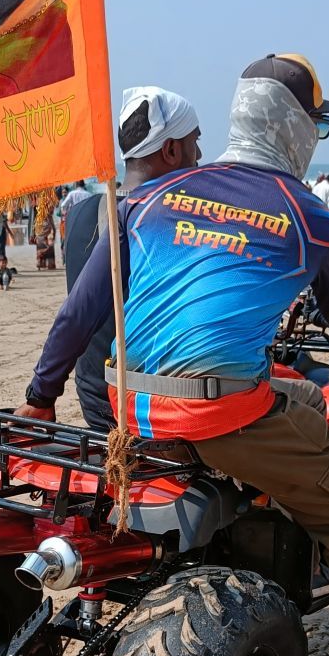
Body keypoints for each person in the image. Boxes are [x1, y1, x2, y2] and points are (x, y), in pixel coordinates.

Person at [16, 52, 329, 656]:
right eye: (319, 126)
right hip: (217, 414)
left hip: (127, 407)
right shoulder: (316, 220)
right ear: (296, 128)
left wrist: (40, 398)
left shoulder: (146, 198)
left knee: (297, 395)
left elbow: (80, 312)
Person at [50, 85, 202, 432]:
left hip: (93, 398)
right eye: (195, 141)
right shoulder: (175, 222)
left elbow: (76, 314)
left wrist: (42, 394)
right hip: (151, 405)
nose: (199, 154)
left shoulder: (81, 213)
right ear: (171, 149)